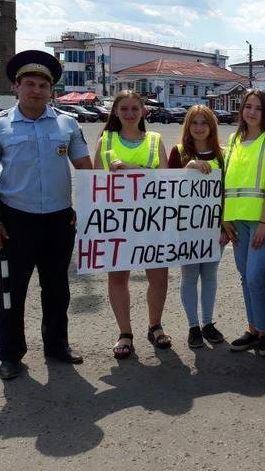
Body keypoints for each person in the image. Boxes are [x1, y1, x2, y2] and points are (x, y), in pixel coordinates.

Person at [0, 50, 92, 380]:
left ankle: (57, 345)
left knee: (57, 289)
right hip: (14, 222)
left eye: (43, 85)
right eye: (29, 84)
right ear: (16, 86)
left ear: (51, 90)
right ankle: (10, 354)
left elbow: (85, 169)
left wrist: (85, 210)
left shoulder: (68, 124)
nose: (36, 90)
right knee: (12, 291)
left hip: (58, 221)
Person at [93, 90, 171, 358]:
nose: (129, 113)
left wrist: (127, 167)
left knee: (159, 277)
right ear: (115, 112)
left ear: (143, 112)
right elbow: (94, 182)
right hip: (117, 222)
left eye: (134, 109)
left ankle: (155, 325)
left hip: (152, 221)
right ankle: (125, 333)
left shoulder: (154, 140)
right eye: (123, 109)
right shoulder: (106, 140)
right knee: (118, 277)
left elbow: (165, 181)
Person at [222, 89, 265, 357]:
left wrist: (263, 221)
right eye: (248, 106)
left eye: (258, 108)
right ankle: (252, 330)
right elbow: (228, 182)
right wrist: (225, 219)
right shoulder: (234, 139)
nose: (251, 112)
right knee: (244, 278)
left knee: (254, 277)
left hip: (262, 222)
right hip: (237, 221)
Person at [168, 105, 228, 349]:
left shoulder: (222, 154)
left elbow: (227, 193)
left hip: (214, 228)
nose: (199, 128)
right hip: (186, 228)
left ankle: (208, 323)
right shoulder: (178, 152)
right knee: (190, 276)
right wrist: (188, 167)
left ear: (212, 127)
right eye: (195, 123)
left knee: (210, 276)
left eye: (204, 123)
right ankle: (193, 326)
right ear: (188, 126)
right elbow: (166, 189)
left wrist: (225, 227)